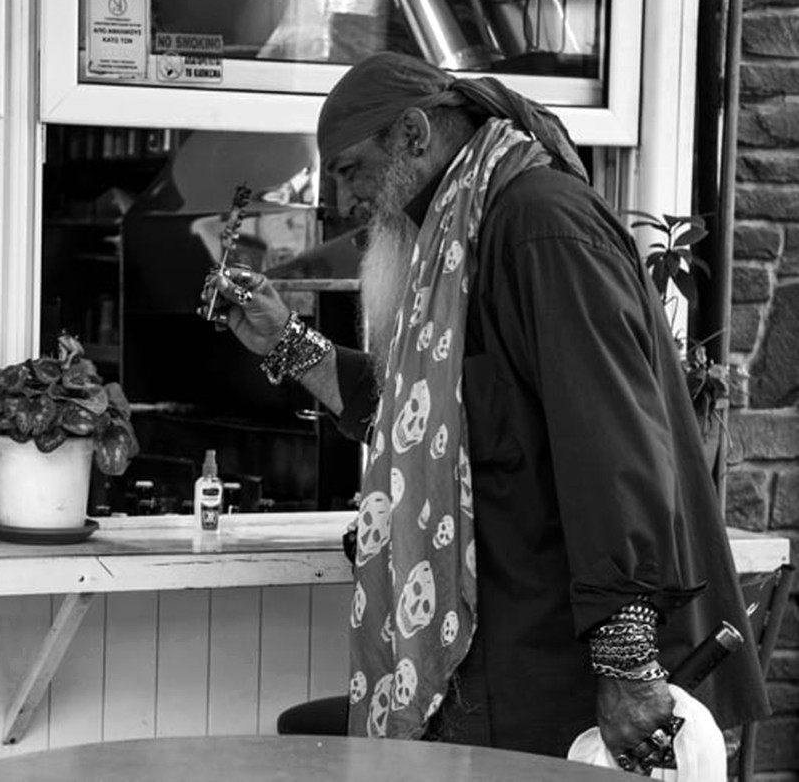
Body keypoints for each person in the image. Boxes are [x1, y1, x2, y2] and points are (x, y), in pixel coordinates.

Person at [200, 52, 768, 770]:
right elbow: (422, 420)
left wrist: (627, 659)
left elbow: (614, 449)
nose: (348, 201)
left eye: (351, 170)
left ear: (413, 134)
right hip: (497, 664)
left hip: (557, 678)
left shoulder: (538, 224)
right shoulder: (458, 237)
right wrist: (286, 340)